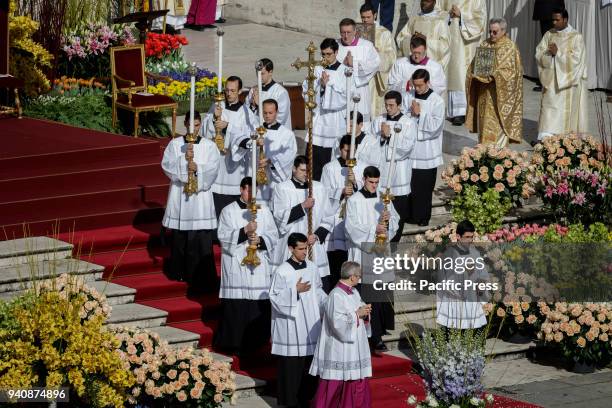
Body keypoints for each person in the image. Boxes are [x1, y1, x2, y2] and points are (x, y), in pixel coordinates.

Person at [214, 177, 279, 355]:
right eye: (248, 190)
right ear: (242, 189)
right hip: (237, 268)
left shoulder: (264, 210)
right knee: (238, 308)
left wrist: (261, 240)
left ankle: (256, 345)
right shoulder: (228, 211)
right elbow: (223, 237)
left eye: (254, 191)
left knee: (257, 307)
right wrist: (244, 231)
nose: (252, 194)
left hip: (258, 269)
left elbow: (274, 236)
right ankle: (233, 344)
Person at [161, 110, 221, 289]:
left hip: (200, 199)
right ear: (184, 124)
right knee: (181, 236)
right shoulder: (175, 144)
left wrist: (197, 168)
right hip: (181, 197)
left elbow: (213, 169)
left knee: (200, 237)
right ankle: (179, 271)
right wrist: (183, 162)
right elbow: (166, 166)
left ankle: (201, 275)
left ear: (200, 125)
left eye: (196, 125)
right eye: (189, 125)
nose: (193, 129)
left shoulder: (210, 146)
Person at [344, 166, 399, 352]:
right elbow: (351, 229)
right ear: (364, 179)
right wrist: (373, 229)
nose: (374, 186)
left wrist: (389, 221)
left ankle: (379, 333)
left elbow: (396, 222)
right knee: (368, 297)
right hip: (363, 254)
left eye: (377, 182)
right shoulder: (354, 201)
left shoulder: (383, 199)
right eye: (371, 182)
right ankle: (371, 336)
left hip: (381, 253)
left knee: (381, 295)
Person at [270, 232, 328, 408]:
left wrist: (330, 303)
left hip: (310, 325)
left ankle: (306, 398)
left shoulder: (312, 267)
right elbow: (274, 298)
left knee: (308, 367)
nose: (304, 251)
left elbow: (318, 291)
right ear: (290, 249)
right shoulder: (282, 271)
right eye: (301, 249)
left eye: (306, 248)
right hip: (291, 328)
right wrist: (294, 291)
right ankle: (289, 402)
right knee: (292, 368)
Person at [310, 261, 373, 408]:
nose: (359, 279)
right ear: (352, 277)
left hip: (355, 346)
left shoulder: (354, 292)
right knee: (335, 383)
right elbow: (337, 323)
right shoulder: (335, 295)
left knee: (355, 379)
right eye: (358, 276)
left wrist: (365, 311)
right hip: (339, 347)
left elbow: (359, 310)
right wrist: (357, 314)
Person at [271, 155, 335, 293]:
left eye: (308, 171)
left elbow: (329, 217)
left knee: (317, 285)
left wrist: (317, 235)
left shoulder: (318, 188)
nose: (306, 174)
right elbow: (279, 217)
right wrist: (302, 206)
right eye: (302, 170)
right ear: (294, 169)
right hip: (293, 245)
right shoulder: (282, 188)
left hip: (313, 245)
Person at [361, 91, 416, 241]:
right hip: (381, 172)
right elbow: (370, 145)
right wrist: (382, 137)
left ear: (399, 105)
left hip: (399, 174)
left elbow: (406, 149)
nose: (388, 108)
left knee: (397, 214)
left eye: (391, 105)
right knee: (381, 212)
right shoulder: (378, 120)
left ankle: (394, 243)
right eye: (386, 105)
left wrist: (390, 136)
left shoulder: (408, 123)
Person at [465, 18, 523, 148]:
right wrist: (473, 74)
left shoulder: (510, 47)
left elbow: (513, 73)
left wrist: (495, 75)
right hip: (483, 94)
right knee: (483, 124)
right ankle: (483, 154)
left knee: (497, 127)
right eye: (490, 31)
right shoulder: (485, 45)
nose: (491, 35)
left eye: (495, 32)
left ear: (503, 31)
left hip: (500, 98)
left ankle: (498, 156)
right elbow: (474, 67)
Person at [535, 8, 589, 141]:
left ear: (565, 19)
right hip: (551, 80)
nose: (554, 22)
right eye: (553, 19)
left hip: (567, 83)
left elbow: (577, 61)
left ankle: (564, 140)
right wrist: (548, 56)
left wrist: (557, 54)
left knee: (563, 112)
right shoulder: (549, 34)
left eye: (557, 20)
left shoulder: (576, 37)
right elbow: (539, 53)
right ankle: (546, 137)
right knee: (548, 109)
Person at [203, 75, 253, 218]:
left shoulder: (246, 113)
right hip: (217, 162)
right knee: (215, 199)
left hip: (233, 166)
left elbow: (247, 137)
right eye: (227, 90)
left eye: (232, 91)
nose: (228, 94)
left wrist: (227, 127)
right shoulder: (218, 107)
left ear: (240, 92)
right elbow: (204, 130)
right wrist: (213, 118)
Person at [320, 134, 366, 288]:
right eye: (346, 151)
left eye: (352, 151)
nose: (349, 155)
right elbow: (323, 193)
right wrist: (340, 192)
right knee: (338, 259)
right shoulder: (329, 168)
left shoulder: (363, 167)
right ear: (340, 149)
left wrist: (355, 184)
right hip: (337, 217)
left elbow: (369, 193)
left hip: (356, 220)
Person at [232, 99, 297, 207]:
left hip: (273, 181)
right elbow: (240, 141)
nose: (267, 116)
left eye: (270, 113)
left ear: (276, 112)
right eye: (265, 113)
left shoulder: (286, 134)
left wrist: (271, 161)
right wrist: (253, 143)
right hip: (254, 176)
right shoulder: (255, 131)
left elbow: (289, 156)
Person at [306, 38, 350, 181]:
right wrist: (320, 87)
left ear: (336, 52)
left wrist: (327, 86)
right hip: (319, 120)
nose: (325, 57)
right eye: (323, 54)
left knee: (331, 163)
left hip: (334, 121)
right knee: (314, 161)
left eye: (329, 54)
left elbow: (345, 97)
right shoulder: (317, 68)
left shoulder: (345, 72)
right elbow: (306, 89)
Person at [405, 69, 445, 227]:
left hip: (427, 151)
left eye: (420, 86)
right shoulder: (409, 97)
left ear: (428, 83)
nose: (417, 89)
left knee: (424, 187)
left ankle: (422, 217)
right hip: (410, 150)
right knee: (410, 185)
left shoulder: (437, 101)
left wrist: (420, 114)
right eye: (415, 85)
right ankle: (410, 215)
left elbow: (436, 126)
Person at [436, 220, 489, 333]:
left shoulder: (475, 253)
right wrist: (466, 273)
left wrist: (481, 283)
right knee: (455, 335)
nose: (470, 240)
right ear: (458, 236)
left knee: (474, 335)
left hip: (473, 300)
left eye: (471, 237)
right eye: (467, 237)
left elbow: (483, 274)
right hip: (456, 301)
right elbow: (445, 280)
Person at [440, 0, 487, 126]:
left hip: (467, 43)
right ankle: (454, 111)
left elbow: (480, 18)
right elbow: (437, 11)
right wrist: (448, 15)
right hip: (449, 38)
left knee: (462, 74)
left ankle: (463, 111)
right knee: (452, 75)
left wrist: (462, 15)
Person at [336, 18, 381, 123]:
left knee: (359, 124)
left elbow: (375, 64)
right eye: (343, 32)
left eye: (349, 32)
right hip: (340, 91)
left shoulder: (366, 46)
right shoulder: (335, 45)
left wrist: (354, 64)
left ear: (355, 31)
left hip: (359, 90)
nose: (346, 36)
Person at [388, 35, 447, 112]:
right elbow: (392, 84)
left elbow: (440, 87)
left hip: (427, 108)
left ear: (425, 49)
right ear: (410, 49)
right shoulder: (400, 64)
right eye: (414, 52)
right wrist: (407, 84)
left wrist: (423, 85)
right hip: (405, 108)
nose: (416, 56)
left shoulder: (435, 67)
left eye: (419, 53)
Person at [360, 2, 397, 118]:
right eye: (363, 17)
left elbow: (391, 57)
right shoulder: (357, 33)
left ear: (375, 15)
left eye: (368, 17)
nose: (365, 20)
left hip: (376, 80)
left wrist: (377, 53)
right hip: (360, 78)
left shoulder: (384, 33)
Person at [396, 0, 451, 73]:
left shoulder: (440, 22)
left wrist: (425, 41)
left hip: (430, 69)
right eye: (422, 1)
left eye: (428, 1)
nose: (424, 3)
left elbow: (445, 46)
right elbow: (401, 38)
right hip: (412, 67)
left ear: (434, 2)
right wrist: (412, 39)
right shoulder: (413, 20)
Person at [248, 58, 292, 129]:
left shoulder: (281, 92)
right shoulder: (253, 90)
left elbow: (280, 119)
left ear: (270, 72)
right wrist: (253, 106)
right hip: (256, 132)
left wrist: (260, 105)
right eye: (257, 73)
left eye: (262, 74)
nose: (259, 77)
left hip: (276, 135)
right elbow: (246, 115)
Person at [532, 0, 566, 91]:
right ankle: (551, 80)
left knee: (550, 44)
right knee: (549, 43)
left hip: (549, 8)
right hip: (551, 8)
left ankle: (550, 81)